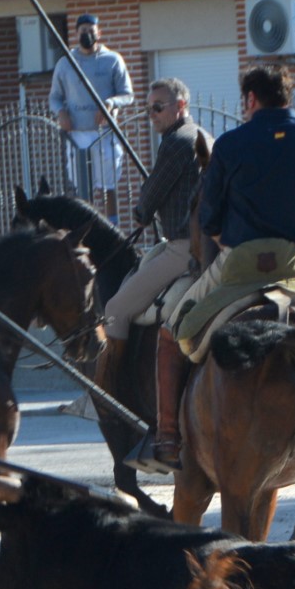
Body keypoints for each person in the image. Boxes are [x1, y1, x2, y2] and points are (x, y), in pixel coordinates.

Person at [167, 64, 295, 471]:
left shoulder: (229, 145)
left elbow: (210, 220)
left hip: (240, 267)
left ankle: (168, 434)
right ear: (286, 97)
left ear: (251, 99)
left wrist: (229, 242)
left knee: (172, 331)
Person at [96, 78, 210, 398]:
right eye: (148, 109)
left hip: (183, 248)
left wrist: (141, 212)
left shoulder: (176, 142)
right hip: (210, 246)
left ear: (180, 106)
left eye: (158, 108)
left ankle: (109, 392)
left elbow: (149, 199)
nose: (152, 115)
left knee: (116, 307)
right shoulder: (204, 136)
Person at [49, 14, 135, 222]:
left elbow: (127, 95)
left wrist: (110, 103)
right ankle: (85, 226)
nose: (87, 34)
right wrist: (61, 113)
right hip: (77, 133)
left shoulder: (112, 60)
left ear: (99, 33)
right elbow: (55, 97)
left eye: (91, 30)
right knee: (81, 187)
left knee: (108, 186)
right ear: (76, 34)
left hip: (105, 132)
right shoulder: (65, 63)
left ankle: (111, 225)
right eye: (83, 31)